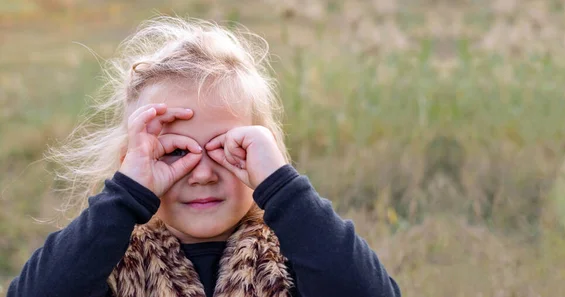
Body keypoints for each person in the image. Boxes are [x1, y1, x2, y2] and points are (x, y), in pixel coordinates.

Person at [7, 15, 401, 297]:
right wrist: (124, 196)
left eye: (228, 148)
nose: (202, 175)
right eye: (176, 151)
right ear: (134, 163)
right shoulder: (110, 264)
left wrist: (283, 189)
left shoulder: (296, 254)